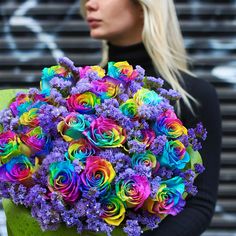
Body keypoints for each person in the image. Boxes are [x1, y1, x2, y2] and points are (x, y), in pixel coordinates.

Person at [80, 0, 222, 235]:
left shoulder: (192, 96)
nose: (90, 5)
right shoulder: (81, 91)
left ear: (141, 7)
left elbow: (199, 204)